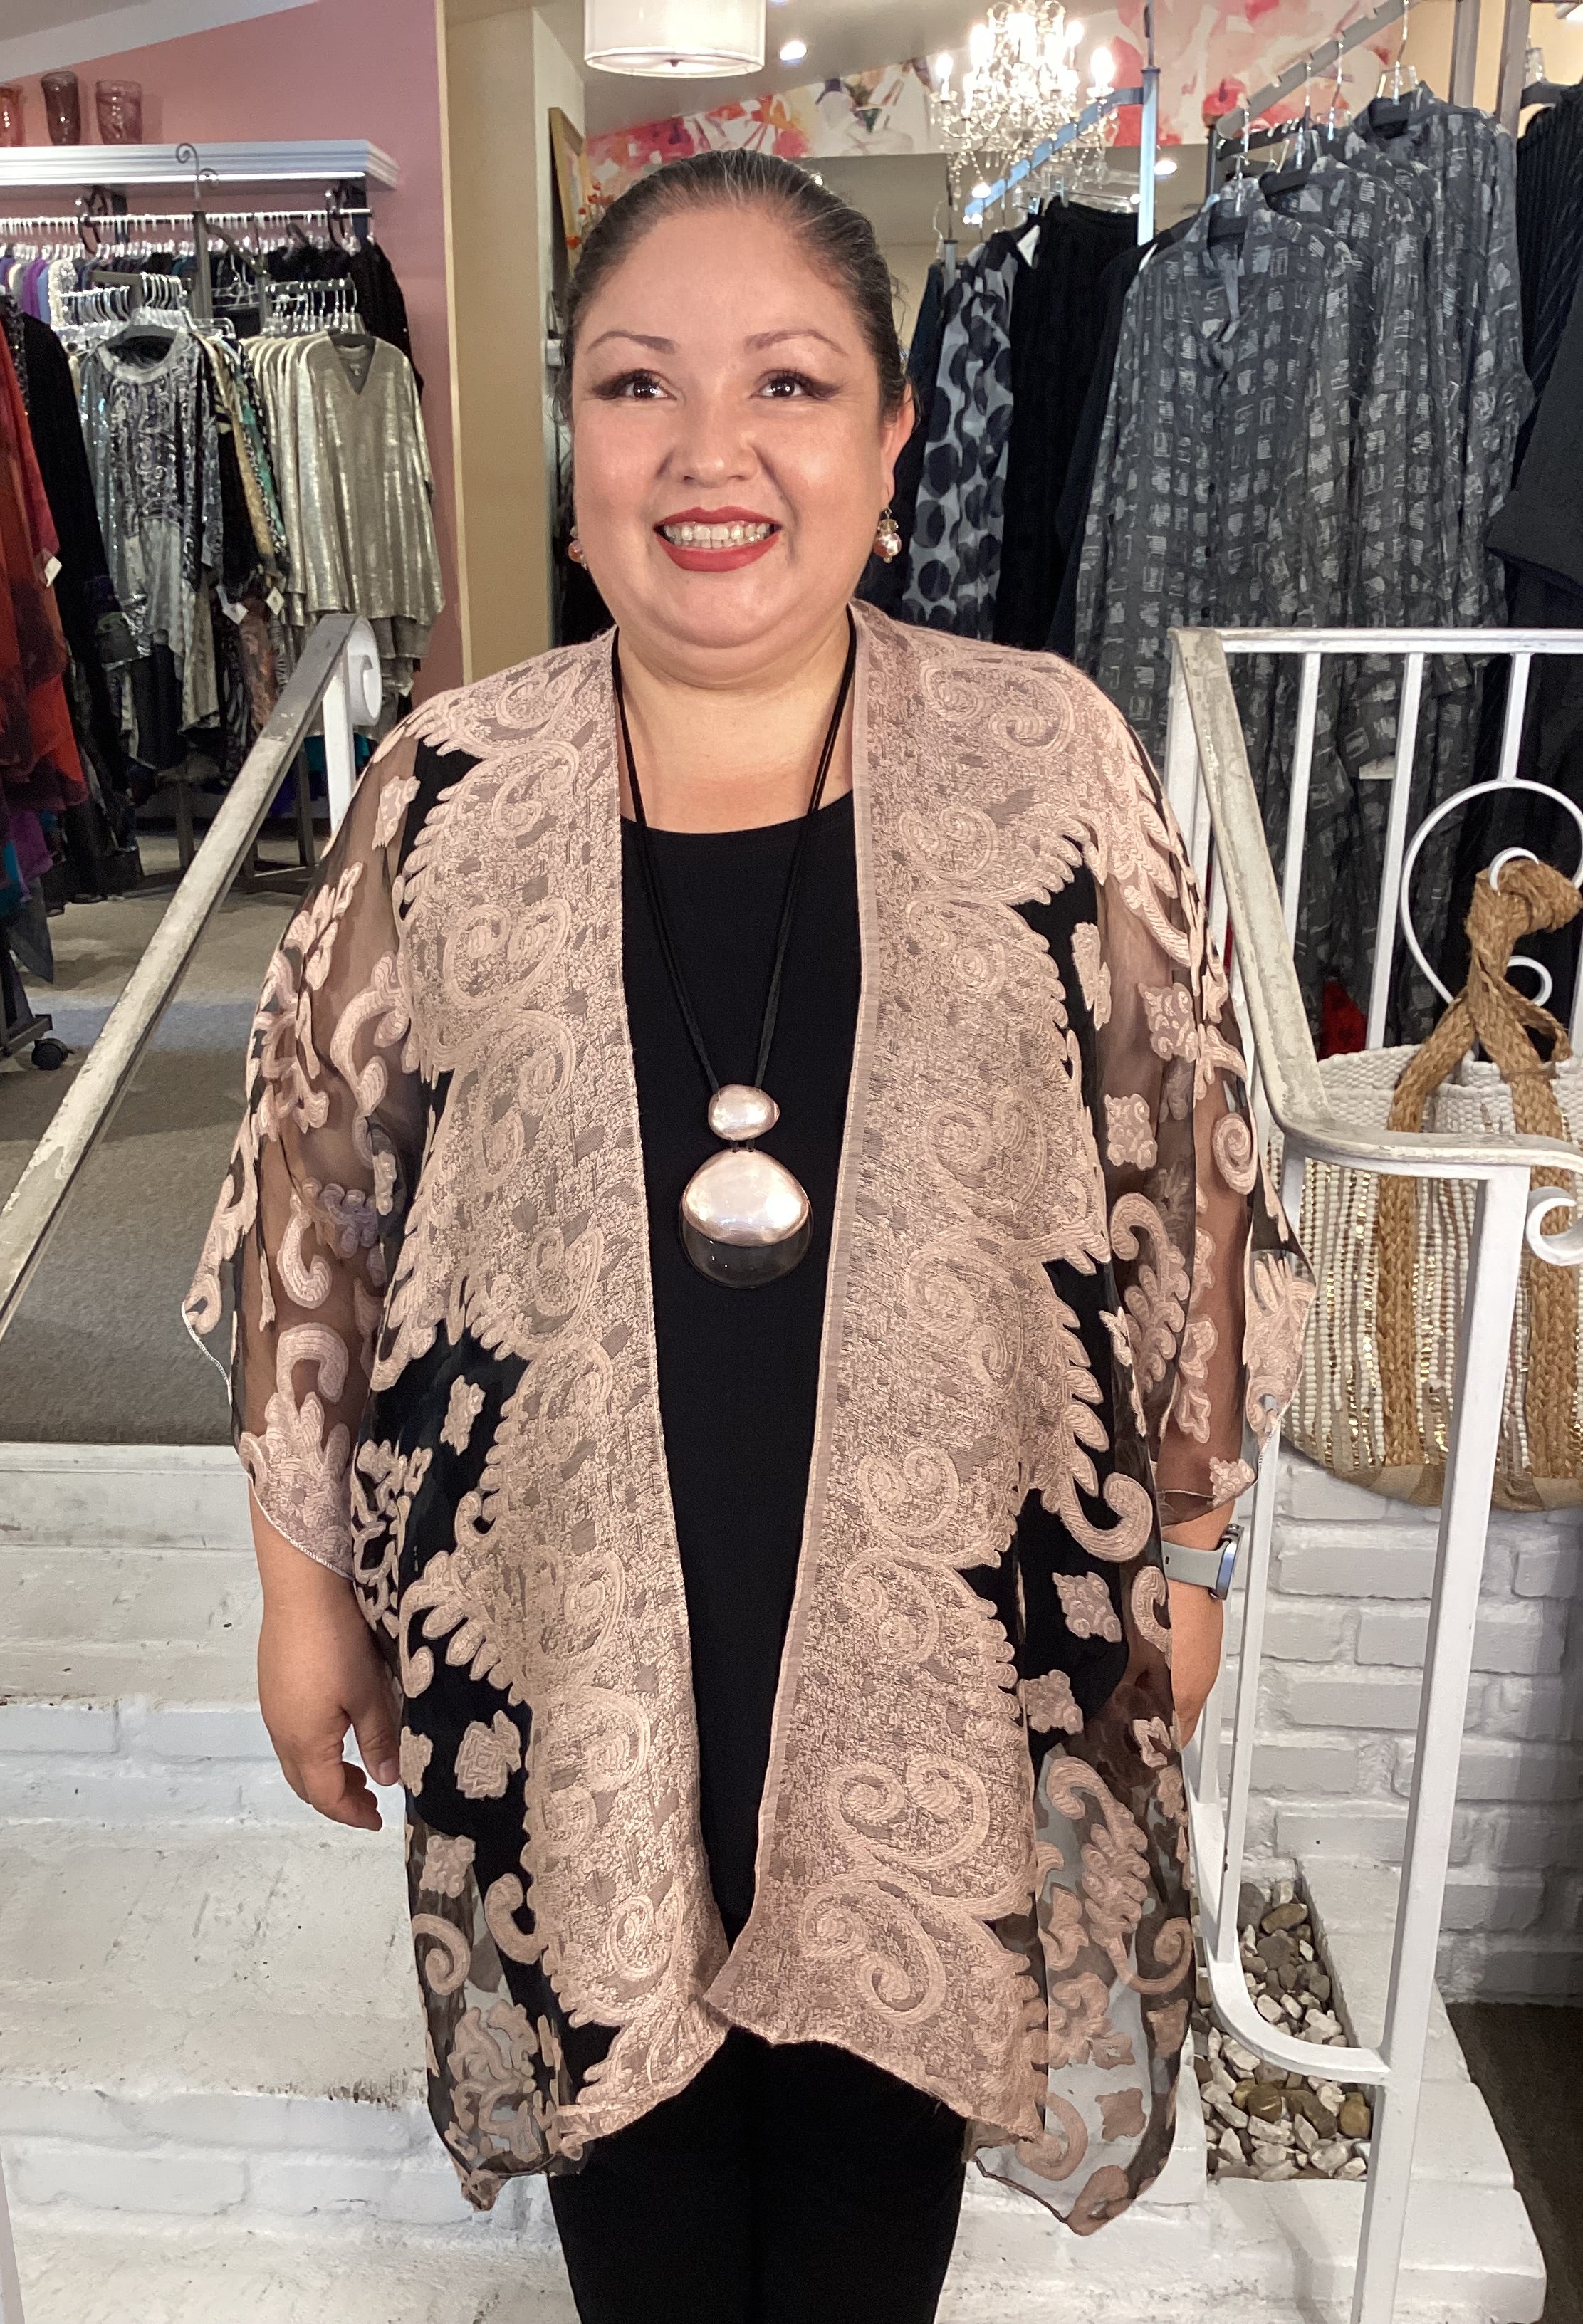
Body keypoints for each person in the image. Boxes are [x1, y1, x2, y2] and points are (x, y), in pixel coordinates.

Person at [185, 150, 1312, 2324]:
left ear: (892, 444)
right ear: (575, 443)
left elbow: (1188, 1185)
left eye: (788, 384)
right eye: (639, 386)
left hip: (948, 1667)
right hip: (568, 1659)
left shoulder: (1047, 763)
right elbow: (313, 1208)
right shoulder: (443, 792)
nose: (711, 452)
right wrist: (299, 1595)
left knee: (872, 2217)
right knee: (646, 2231)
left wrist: (1192, 1561)